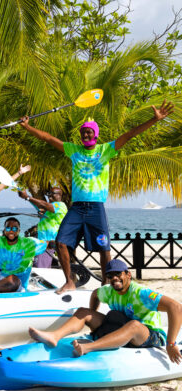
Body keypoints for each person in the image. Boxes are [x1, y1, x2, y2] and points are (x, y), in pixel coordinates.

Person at [20, 100, 174, 293]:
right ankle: (69, 282)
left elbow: (130, 134)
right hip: (77, 207)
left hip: (95, 208)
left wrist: (154, 119)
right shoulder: (74, 150)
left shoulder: (105, 150)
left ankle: (106, 285)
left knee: (104, 248)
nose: (86, 134)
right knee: (60, 242)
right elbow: (49, 139)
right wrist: (28, 128)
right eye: (83, 132)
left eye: (89, 131)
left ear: (96, 133)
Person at [29, 259, 182, 364]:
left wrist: (170, 343)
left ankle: (88, 347)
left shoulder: (140, 293)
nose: (114, 278)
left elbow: (175, 307)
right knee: (84, 312)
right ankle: (55, 336)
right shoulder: (108, 290)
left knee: (134, 325)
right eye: (110, 275)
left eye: (118, 274)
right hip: (121, 329)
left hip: (148, 335)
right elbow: (95, 294)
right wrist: (94, 319)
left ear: (128, 275)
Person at [18, 187, 67, 268]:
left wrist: (27, 197)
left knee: (41, 269)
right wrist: (26, 197)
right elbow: (38, 205)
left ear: (59, 195)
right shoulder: (48, 210)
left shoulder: (60, 205)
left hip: (49, 244)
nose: (49, 196)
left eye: (52, 193)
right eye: (48, 194)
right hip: (43, 244)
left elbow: (43, 204)